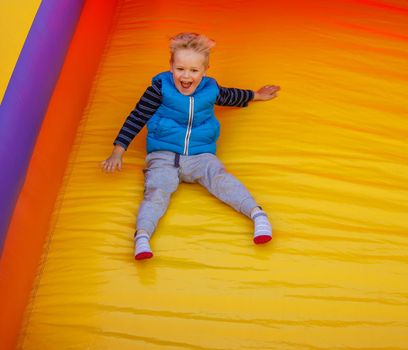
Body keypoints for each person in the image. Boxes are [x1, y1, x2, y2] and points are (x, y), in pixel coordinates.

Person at [101, 32, 280, 260]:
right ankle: (143, 235)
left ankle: (257, 215)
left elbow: (231, 96)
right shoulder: (159, 89)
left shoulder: (210, 89)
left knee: (220, 177)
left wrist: (256, 95)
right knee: (157, 190)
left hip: (200, 154)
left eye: (194, 71)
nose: (186, 76)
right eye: (180, 69)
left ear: (205, 71)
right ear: (171, 66)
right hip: (164, 154)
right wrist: (118, 151)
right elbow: (137, 117)